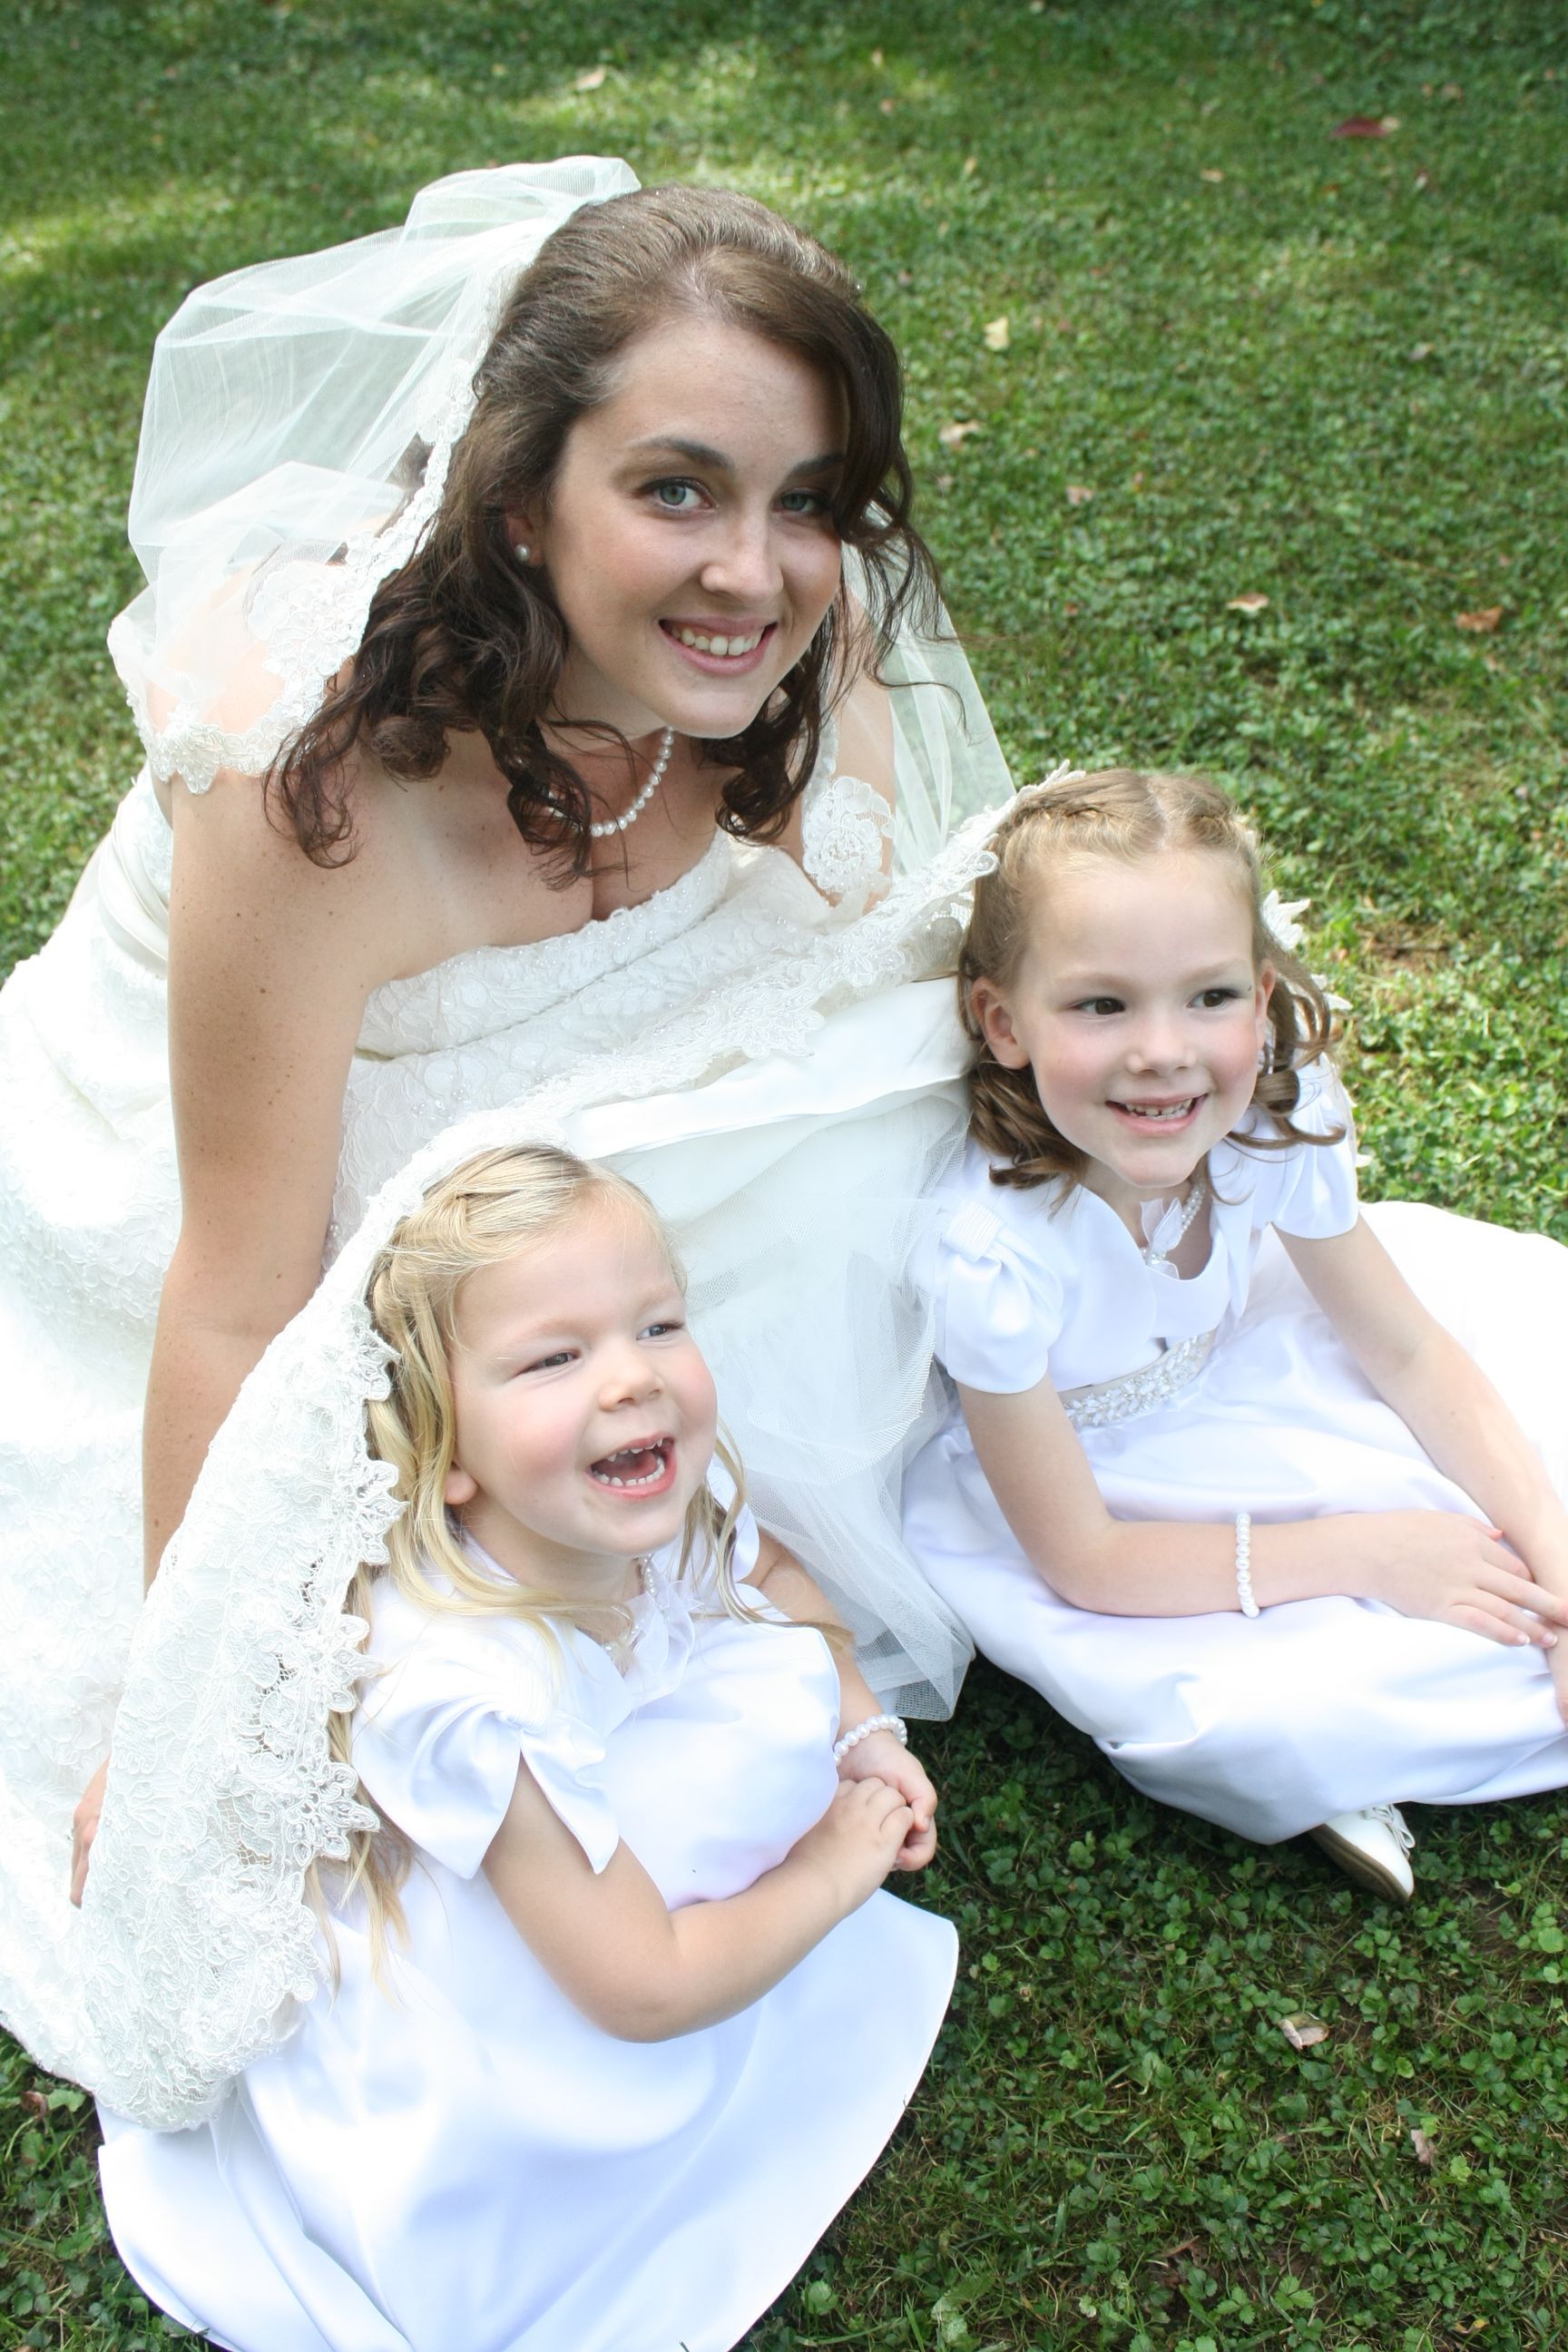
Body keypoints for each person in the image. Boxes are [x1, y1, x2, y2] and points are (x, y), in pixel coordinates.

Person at [0, 159, 1011, 2092]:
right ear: (522, 493)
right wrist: (195, 1703)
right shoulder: (307, 779)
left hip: (570, 1210)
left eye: (811, 501)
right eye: (677, 489)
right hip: (220, 1179)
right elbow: (236, 1284)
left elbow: (852, 969)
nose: (760, 573)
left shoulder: (796, 648)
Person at [96, 1143, 956, 2352]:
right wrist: (832, 1867)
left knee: (779, 1683)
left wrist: (859, 1719)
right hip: (530, 2007)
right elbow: (642, 1988)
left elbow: (767, 1567)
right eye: (555, 1358)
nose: (632, 1382)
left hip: (604, 1859)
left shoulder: (641, 1489)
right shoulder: (456, 1693)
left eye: (657, 1325)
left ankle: (750, 1942)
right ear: (445, 1460)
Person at [902, 768, 1568, 1902]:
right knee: (1256, 1721)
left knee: (1525, 1445)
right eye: (1101, 1005)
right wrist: (1372, 1551)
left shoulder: (1275, 1121)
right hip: (1093, 1494)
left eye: (1208, 997)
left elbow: (1407, 1352)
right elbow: (1087, 1560)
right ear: (1002, 1023)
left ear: (1262, 1003)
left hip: (1257, 1367)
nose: (1163, 1051)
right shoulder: (992, 1251)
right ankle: (1351, 1756)